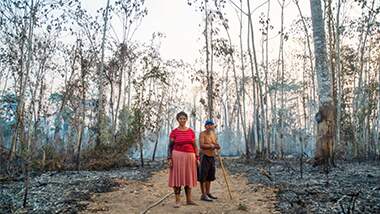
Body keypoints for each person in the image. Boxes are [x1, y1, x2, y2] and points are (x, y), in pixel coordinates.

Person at [167, 111, 199, 208]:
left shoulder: (191, 132)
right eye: (180, 118)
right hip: (177, 157)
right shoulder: (174, 132)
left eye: (184, 118)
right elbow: (169, 146)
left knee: (188, 177)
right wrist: (169, 158)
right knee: (177, 178)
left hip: (190, 157)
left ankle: (189, 200)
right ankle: (177, 201)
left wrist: (197, 157)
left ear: (186, 119)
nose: (182, 120)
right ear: (177, 120)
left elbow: (195, 146)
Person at [198, 119, 220, 202]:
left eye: (211, 125)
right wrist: (211, 146)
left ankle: (208, 193)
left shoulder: (213, 134)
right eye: (208, 125)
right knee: (203, 176)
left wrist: (217, 146)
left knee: (210, 176)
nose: (209, 126)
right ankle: (203, 194)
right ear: (205, 126)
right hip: (204, 156)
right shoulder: (202, 134)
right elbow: (201, 145)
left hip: (212, 156)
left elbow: (215, 144)